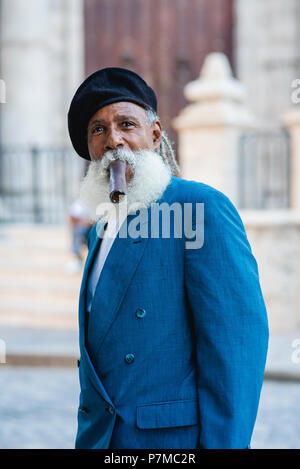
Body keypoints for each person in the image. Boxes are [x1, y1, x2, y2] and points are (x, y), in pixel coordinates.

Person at [67, 67, 269, 449]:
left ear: (156, 135)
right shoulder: (99, 228)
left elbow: (237, 348)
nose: (114, 140)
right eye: (99, 130)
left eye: (127, 124)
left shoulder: (199, 206)